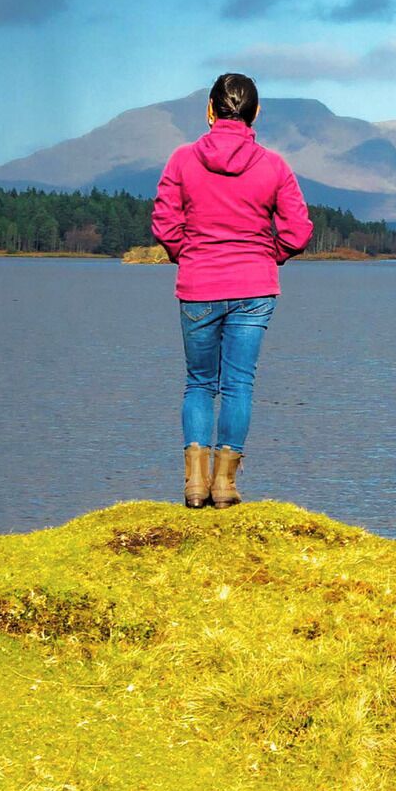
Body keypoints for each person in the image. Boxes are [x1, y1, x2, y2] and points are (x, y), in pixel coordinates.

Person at [150, 70, 312, 506]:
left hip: (198, 285)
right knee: (239, 385)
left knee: (200, 383)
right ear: (255, 112)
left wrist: (190, 254)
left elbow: (165, 223)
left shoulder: (181, 160)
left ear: (209, 111)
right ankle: (225, 486)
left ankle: (195, 485)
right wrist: (268, 255)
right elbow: (298, 231)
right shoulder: (274, 166)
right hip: (255, 288)